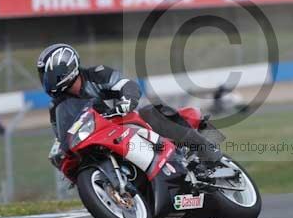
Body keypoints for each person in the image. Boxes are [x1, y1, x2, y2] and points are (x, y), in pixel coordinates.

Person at [37, 43, 221, 172]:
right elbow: (63, 135)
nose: (45, 78)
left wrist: (125, 102)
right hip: (100, 138)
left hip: (126, 120)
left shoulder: (97, 74)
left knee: (153, 111)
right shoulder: (57, 105)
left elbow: (127, 86)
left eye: (47, 73)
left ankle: (210, 155)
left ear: (63, 68)